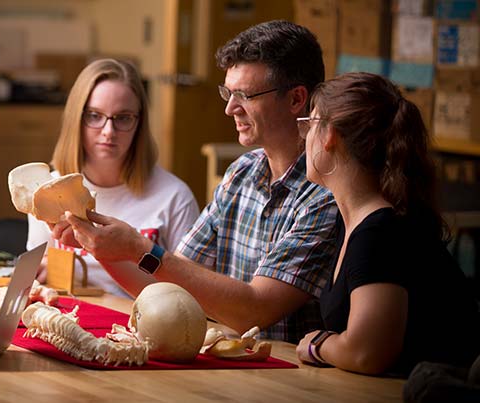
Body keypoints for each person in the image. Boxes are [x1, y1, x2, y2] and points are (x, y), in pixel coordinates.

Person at [56, 20, 339, 342]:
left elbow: (255, 312)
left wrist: (136, 246)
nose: (230, 108)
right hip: (232, 365)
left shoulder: (325, 193)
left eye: (244, 95)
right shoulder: (242, 173)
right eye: (228, 93)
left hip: (288, 378)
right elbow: (170, 288)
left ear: (296, 99)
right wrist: (102, 248)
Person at [295, 72, 480, 375]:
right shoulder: (358, 223)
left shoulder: (380, 233)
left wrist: (319, 344)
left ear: (329, 136)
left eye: (309, 125)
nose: (304, 139)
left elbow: (368, 352)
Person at [26, 58, 199, 298]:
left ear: (140, 123)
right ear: (77, 119)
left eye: (123, 118)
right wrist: (43, 269)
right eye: (95, 116)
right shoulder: (49, 191)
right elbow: (42, 271)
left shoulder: (174, 196)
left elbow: (192, 293)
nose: (109, 131)